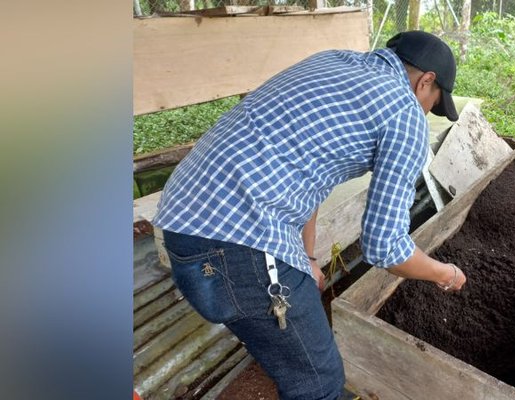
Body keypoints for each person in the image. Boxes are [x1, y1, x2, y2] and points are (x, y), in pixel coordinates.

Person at [152, 31, 467, 399]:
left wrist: (307, 257)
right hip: (240, 243)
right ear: (426, 80)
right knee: (318, 382)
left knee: (295, 354)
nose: (428, 110)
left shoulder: (332, 62)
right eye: (434, 102)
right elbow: (385, 247)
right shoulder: (405, 114)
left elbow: (311, 172)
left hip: (182, 222)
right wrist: (445, 274)